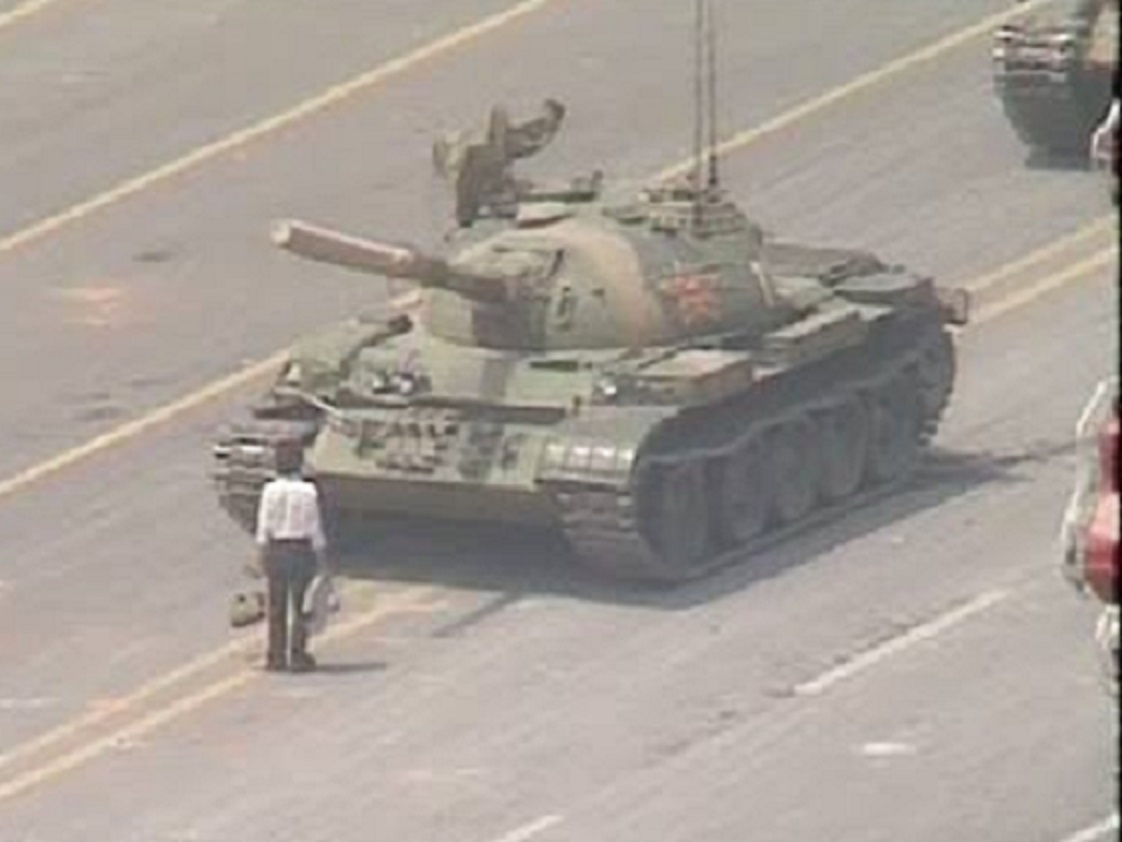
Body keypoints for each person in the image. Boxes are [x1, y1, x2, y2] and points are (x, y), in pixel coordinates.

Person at [254, 440, 328, 672]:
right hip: (300, 550)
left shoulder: (269, 490)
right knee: (301, 607)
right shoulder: (308, 491)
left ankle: (275, 656)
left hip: (276, 549)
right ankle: (297, 655)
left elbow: (263, 528)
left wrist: (260, 557)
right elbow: (315, 529)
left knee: (276, 606)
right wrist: (322, 563)